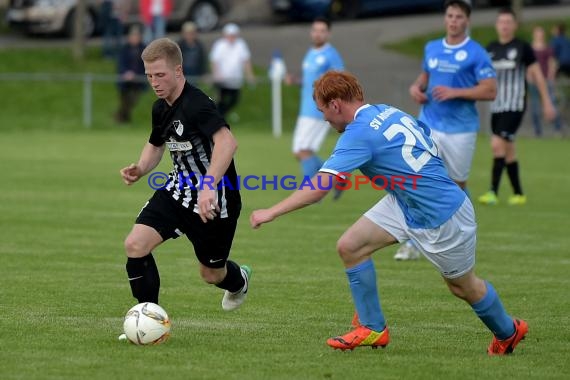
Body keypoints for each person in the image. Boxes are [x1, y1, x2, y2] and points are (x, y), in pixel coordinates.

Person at [250, 71, 528, 355]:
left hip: (442, 217)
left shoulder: (359, 133)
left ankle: (508, 331)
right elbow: (426, 137)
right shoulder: (385, 111)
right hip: (406, 202)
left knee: (463, 286)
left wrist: (271, 212)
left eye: (322, 110)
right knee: (350, 246)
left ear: (335, 104)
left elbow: (320, 188)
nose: (324, 118)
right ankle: (372, 328)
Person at [119, 38, 251, 316]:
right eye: (149, 76)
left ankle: (239, 281)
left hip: (215, 200)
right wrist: (141, 168)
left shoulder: (197, 104)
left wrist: (207, 186)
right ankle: (149, 318)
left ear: (178, 71)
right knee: (135, 244)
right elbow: (156, 144)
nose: (154, 82)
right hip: (179, 191)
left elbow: (227, 143)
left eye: (160, 75)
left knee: (211, 274)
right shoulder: (160, 107)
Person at [397, 0, 496, 260]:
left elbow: (490, 90)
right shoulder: (432, 48)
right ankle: (414, 242)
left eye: (458, 17)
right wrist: (415, 89)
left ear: (467, 21)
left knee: (456, 186)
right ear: (445, 19)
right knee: (418, 179)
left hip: (460, 129)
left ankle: (463, 233)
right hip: (428, 124)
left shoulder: (476, 53)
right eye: (450, 16)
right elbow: (424, 79)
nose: (453, 21)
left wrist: (457, 92)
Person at [478, 8, 556, 206]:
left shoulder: (523, 47)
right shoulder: (491, 48)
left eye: (508, 22)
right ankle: (518, 193)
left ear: (514, 25)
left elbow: (537, 75)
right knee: (508, 150)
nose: (504, 25)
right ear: (496, 25)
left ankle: (492, 192)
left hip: (515, 105)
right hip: (496, 106)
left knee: (497, 145)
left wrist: (547, 101)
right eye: (501, 22)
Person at [287, 16, 344, 189]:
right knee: (299, 151)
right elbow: (310, 80)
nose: (318, 34)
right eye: (315, 30)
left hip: (319, 111)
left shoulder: (331, 55)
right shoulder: (311, 53)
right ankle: (336, 179)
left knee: (303, 150)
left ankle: (310, 191)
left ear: (328, 34)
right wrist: (295, 80)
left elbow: (341, 81)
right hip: (305, 109)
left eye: (322, 31)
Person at [209, 23, 255, 117]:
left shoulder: (241, 44)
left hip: (236, 80)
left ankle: (220, 115)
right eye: (230, 35)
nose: (231, 37)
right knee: (220, 99)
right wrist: (216, 74)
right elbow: (214, 61)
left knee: (234, 100)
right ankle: (218, 117)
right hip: (222, 80)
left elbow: (246, 61)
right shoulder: (220, 45)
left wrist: (249, 75)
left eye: (233, 35)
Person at [528, 25, 562, 137]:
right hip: (534, 82)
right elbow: (528, 65)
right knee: (535, 106)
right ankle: (538, 131)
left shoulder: (548, 48)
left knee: (551, 104)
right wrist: (529, 77)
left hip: (546, 81)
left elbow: (552, 63)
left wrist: (551, 76)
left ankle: (557, 129)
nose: (540, 35)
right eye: (537, 33)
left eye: (541, 33)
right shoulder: (530, 49)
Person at [115, 25, 146, 124]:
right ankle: (123, 119)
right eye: (133, 35)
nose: (135, 38)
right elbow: (121, 63)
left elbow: (146, 66)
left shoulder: (144, 50)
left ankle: (122, 118)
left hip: (138, 81)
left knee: (132, 99)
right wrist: (126, 73)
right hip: (125, 81)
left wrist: (136, 75)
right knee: (124, 100)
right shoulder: (124, 49)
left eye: (136, 35)